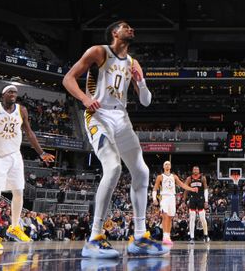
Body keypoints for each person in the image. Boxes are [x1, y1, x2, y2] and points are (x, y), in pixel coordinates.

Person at [62, 20, 168, 258]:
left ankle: (140, 236)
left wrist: (140, 81)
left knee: (141, 172)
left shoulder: (133, 62)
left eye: (132, 27)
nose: (131, 29)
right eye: (126, 26)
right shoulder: (99, 51)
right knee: (113, 168)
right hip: (98, 116)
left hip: (122, 119)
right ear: (114, 32)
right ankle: (94, 237)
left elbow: (146, 101)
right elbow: (68, 79)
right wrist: (84, 98)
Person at [0, 84, 55, 250]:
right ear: (3, 94)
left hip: (15, 156)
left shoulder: (21, 110)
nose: (13, 94)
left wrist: (41, 152)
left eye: (15, 93)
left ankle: (14, 227)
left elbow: (29, 133)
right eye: (10, 92)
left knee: (19, 192)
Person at [151, 161, 198, 246]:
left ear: (171, 166)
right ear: (163, 166)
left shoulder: (174, 176)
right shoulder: (160, 177)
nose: (167, 165)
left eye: (168, 164)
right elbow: (155, 188)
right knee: (165, 216)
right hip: (164, 197)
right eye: (165, 164)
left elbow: (182, 185)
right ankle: (165, 237)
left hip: (172, 197)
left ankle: (168, 236)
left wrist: (192, 189)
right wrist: (154, 198)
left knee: (170, 217)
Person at [183, 166, 210, 243]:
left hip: (201, 199)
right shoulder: (189, 178)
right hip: (192, 199)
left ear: (199, 170)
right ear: (192, 170)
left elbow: (205, 189)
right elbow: (185, 190)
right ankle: (192, 237)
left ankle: (206, 235)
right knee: (192, 218)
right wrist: (184, 201)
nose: (195, 170)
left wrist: (206, 201)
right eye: (194, 169)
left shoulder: (202, 178)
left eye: (197, 169)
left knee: (202, 218)